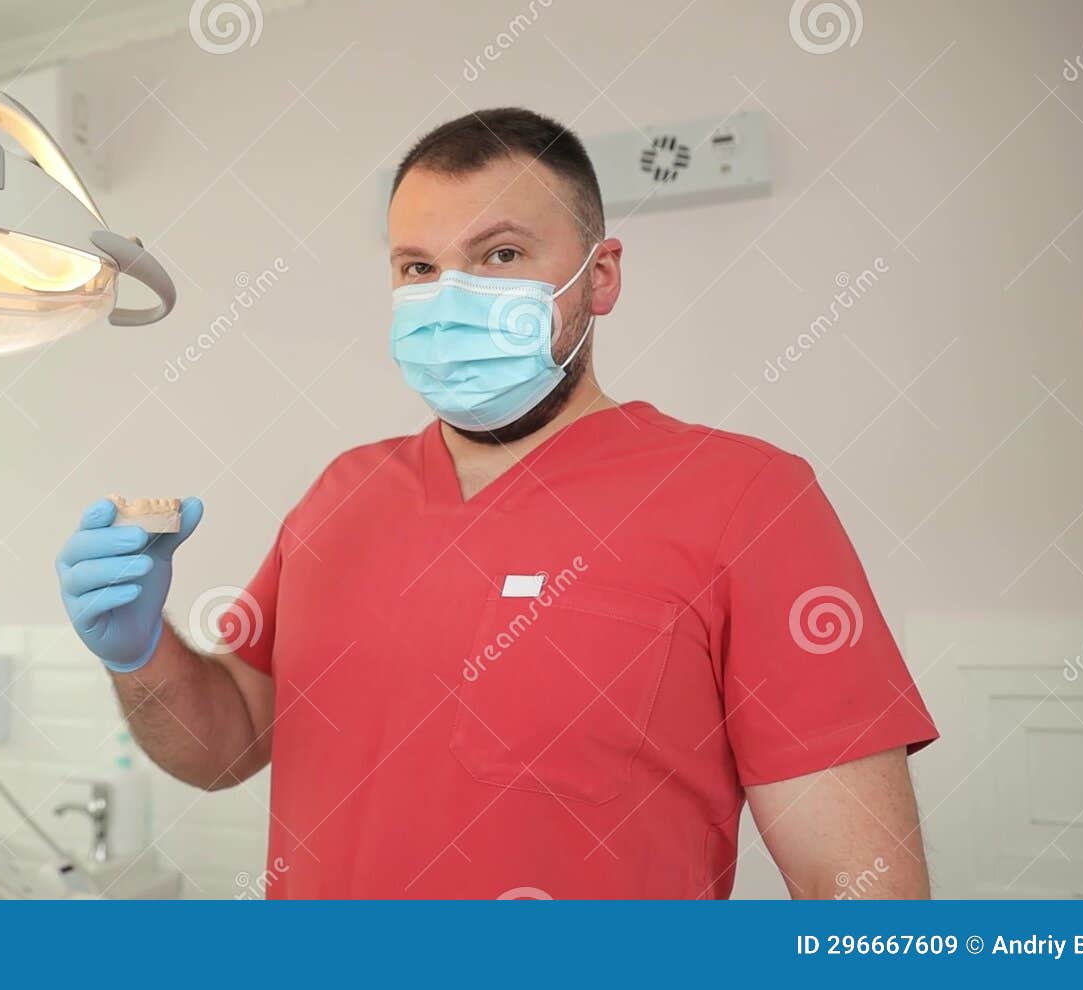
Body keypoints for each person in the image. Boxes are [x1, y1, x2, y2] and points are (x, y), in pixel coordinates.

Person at [55, 108, 938, 899]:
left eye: (501, 255)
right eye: (417, 266)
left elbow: (859, 897)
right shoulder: (343, 494)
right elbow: (226, 745)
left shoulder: (746, 499)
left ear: (600, 279)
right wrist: (142, 653)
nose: (451, 298)